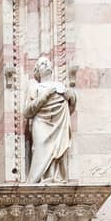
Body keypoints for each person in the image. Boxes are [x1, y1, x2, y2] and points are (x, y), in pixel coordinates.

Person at [25, 56, 76, 185]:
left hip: (60, 122)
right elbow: (27, 111)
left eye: (47, 62)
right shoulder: (35, 88)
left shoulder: (60, 86)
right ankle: (40, 178)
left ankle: (57, 177)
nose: (46, 64)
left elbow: (70, 107)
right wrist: (46, 95)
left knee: (59, 150)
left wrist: (72, 97)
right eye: (42, 64)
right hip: (41, 124)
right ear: (37, 71)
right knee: (41, 150)